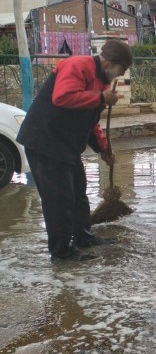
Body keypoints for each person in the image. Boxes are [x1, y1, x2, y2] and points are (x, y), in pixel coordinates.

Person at [17, 39, 134, 262]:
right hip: (44, 141)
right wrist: (100, 98)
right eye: (122, 68)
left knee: (78, 194)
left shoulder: (101, 82)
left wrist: (104, 149)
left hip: (65, 145)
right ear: (109, 62)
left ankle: (83, 237)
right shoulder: (77, 66)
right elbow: (62, 97)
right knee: (58, 200)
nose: (122, 73)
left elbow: (90, 122)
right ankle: (61, 252)